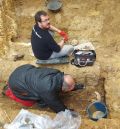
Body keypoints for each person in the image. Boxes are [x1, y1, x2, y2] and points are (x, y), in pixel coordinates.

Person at [3, 64, 76, 113]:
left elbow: (65, 83)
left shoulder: (57, 73)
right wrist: (67, 112)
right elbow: (55, 105)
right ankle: (41, 103)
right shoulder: (48, 89)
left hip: (22, 70)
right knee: (40, 100)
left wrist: (74, 87)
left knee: (43, 92)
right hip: (16, 84)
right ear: (64, 88)